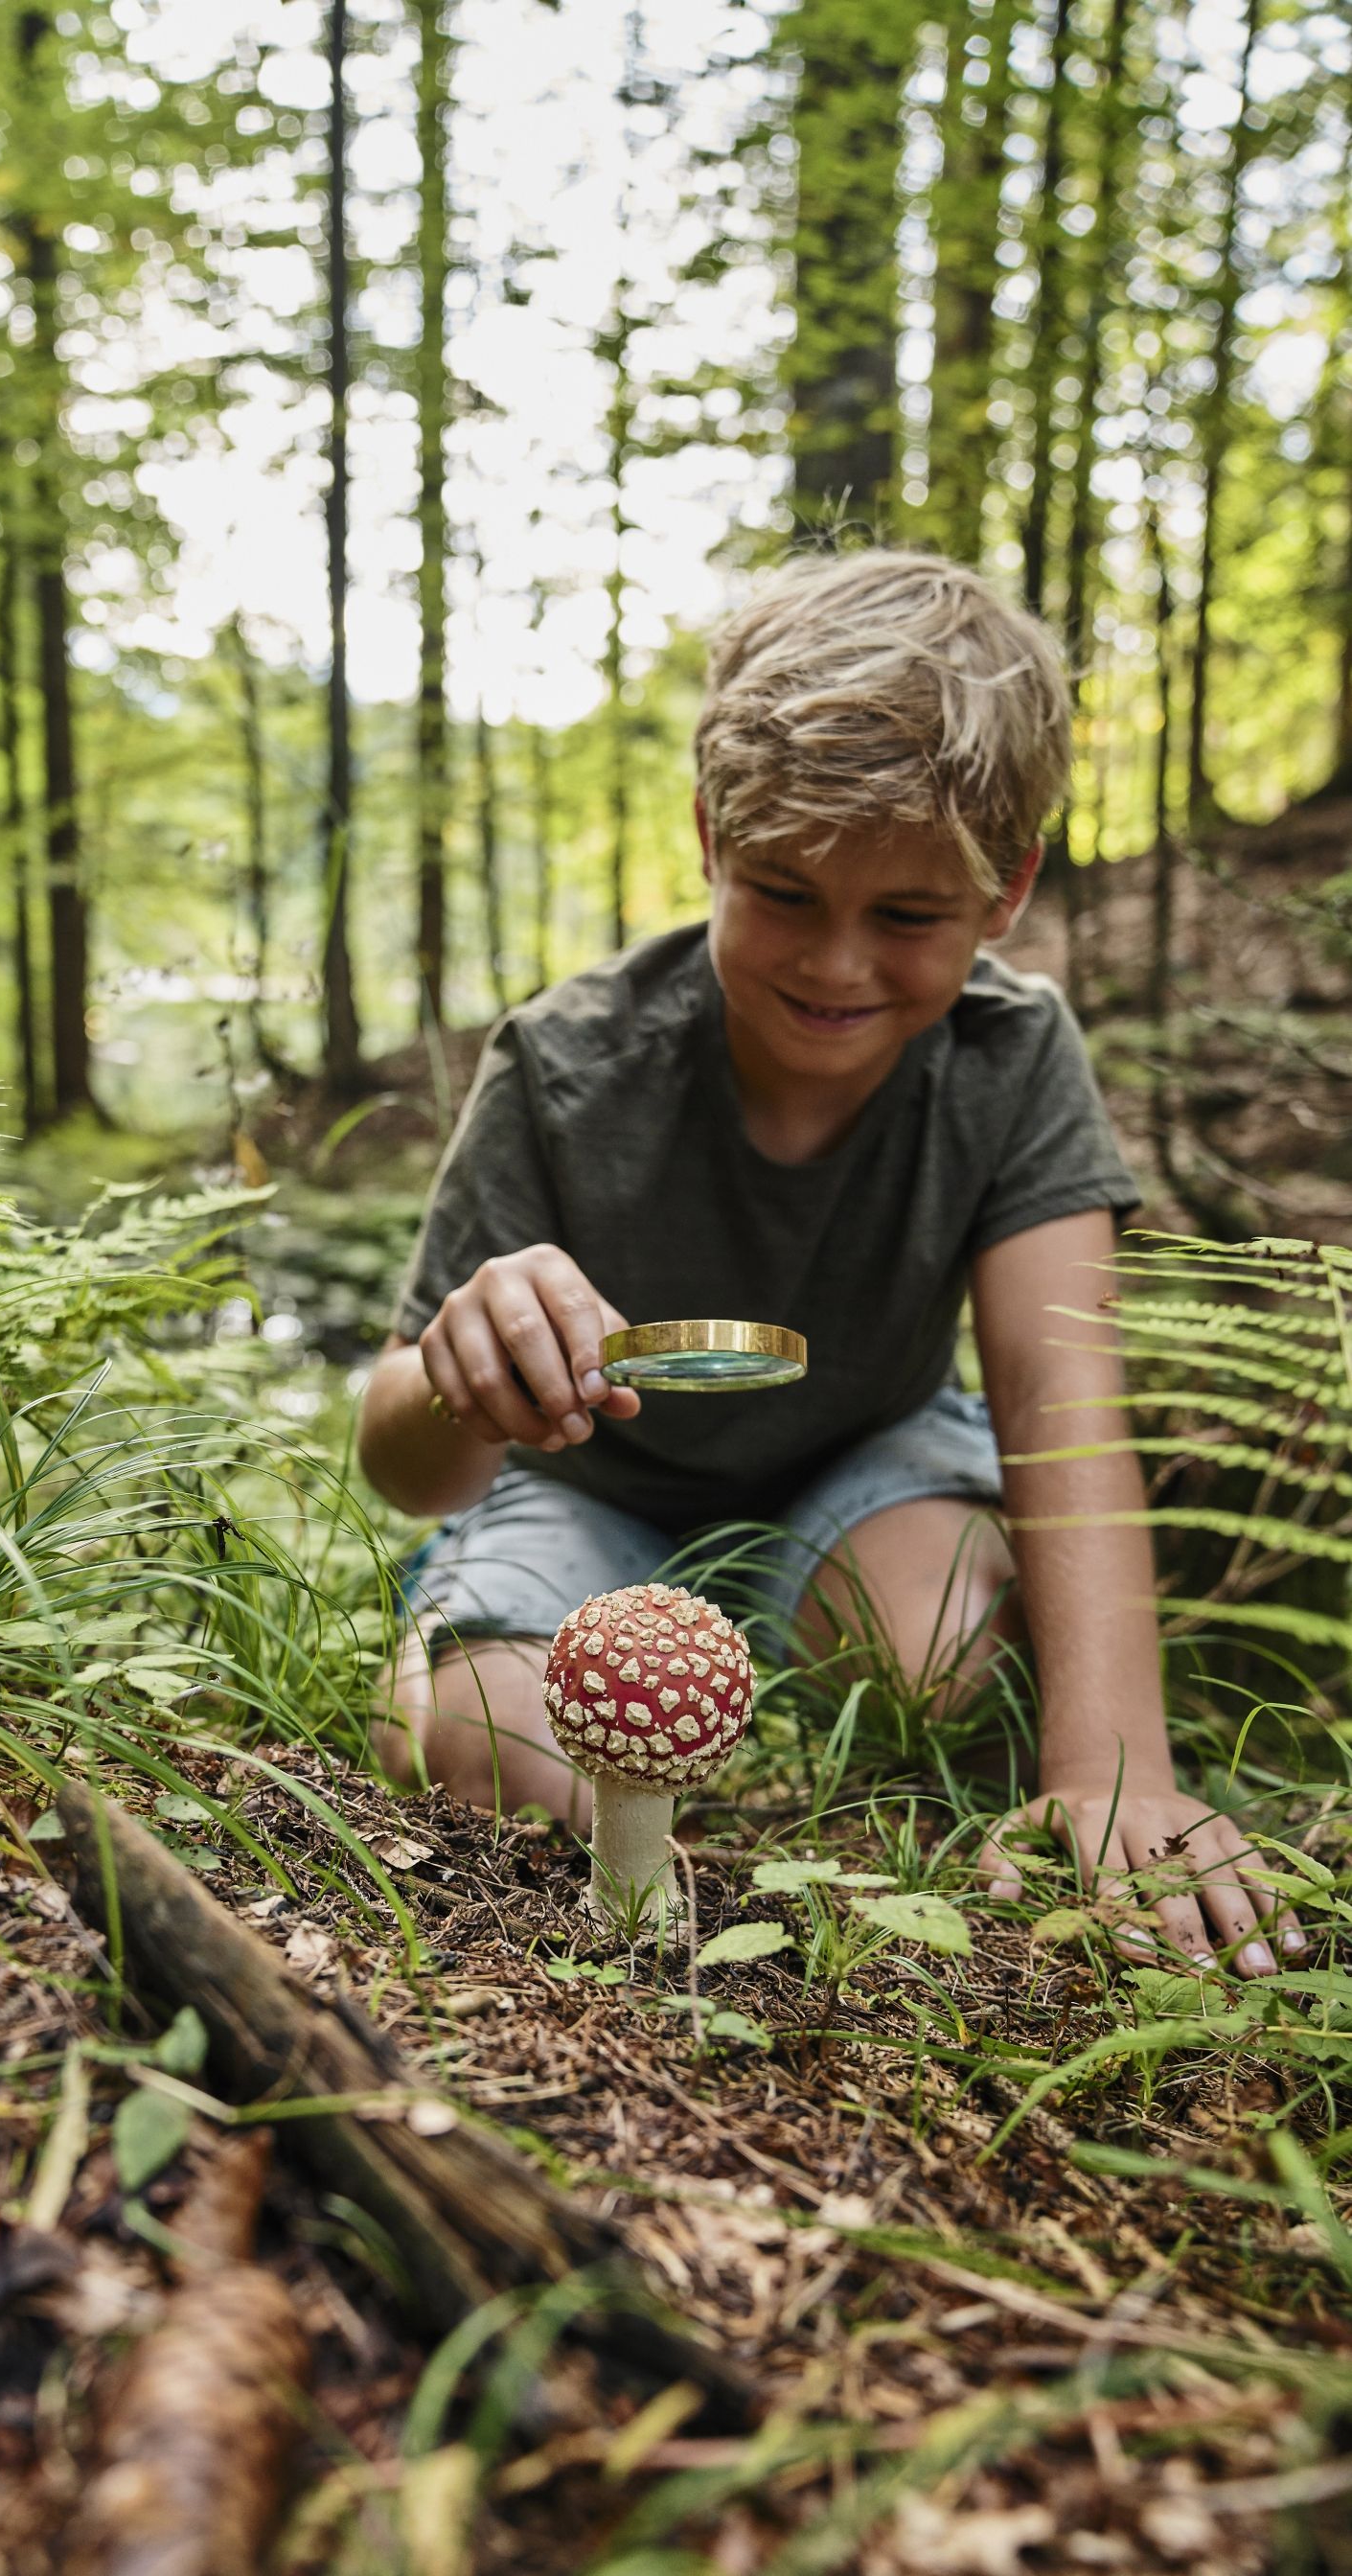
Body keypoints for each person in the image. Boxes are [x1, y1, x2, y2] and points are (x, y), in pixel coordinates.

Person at [357, 547, 1299, 1978]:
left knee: (937, 1654)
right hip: (581, 1499)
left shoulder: (1009, 1056)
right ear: (707, 838)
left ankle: (772, 1698)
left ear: (1005, 888)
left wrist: (1114, 1771)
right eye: (784, 892)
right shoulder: (564, 1066)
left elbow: (1060, 1409)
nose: (836, 963)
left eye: (907, 915)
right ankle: (461, 1654)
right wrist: (456, 1377)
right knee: (494, 1756)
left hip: (865, 1475)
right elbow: (398, 1461)